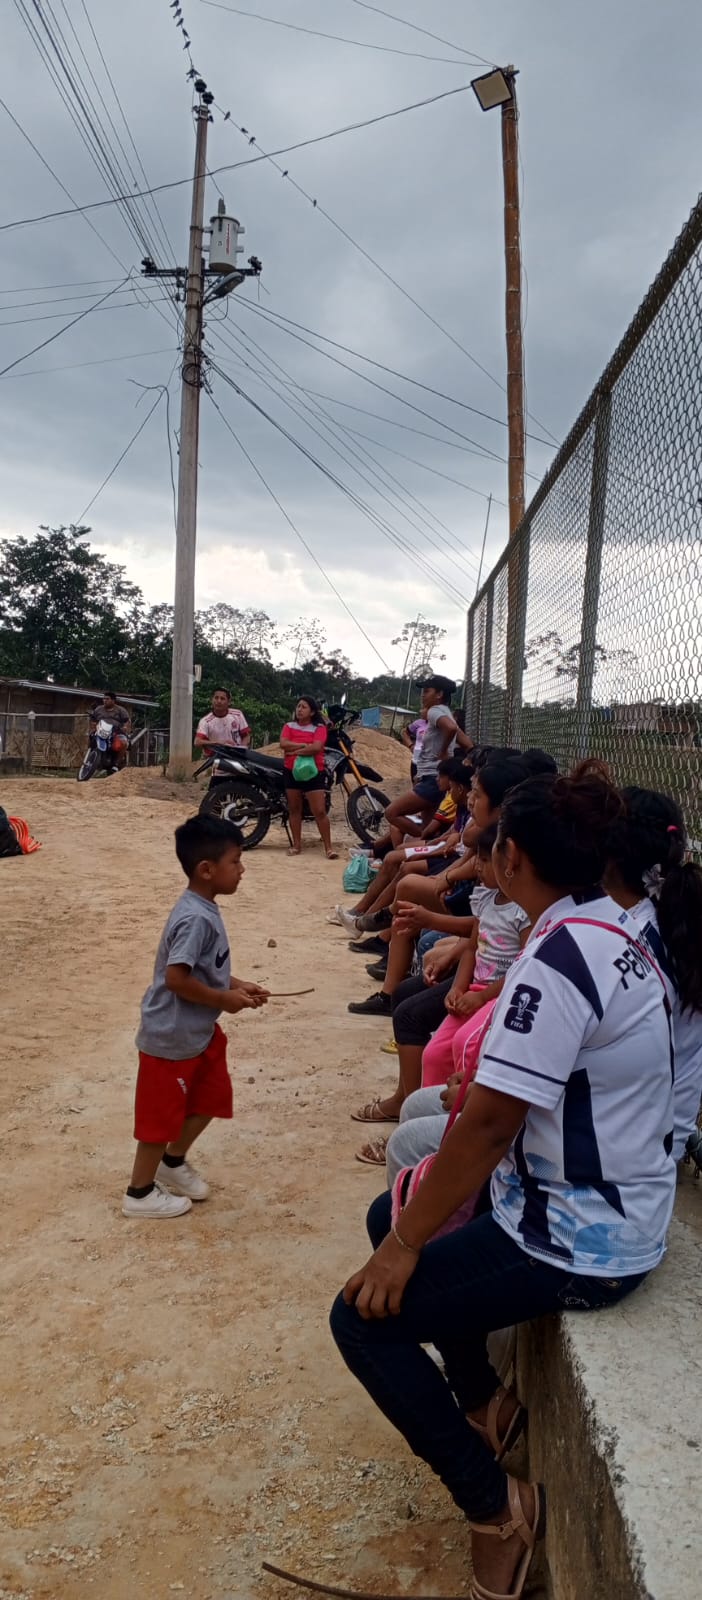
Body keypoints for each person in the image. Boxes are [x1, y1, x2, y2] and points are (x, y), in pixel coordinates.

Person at [330, 760, 676, 1600]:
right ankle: (485, 1403)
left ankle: (496, 1510)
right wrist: (404, 1231)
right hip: (600, 1203)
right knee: (392, 1214)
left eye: (491, 847)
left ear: (512, 857)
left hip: (581, 1238)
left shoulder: (559, 959)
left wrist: (405, 1247)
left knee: (361, 1320)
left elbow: (490, 1124)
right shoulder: (611, 927)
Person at [122, 814, 269, 1220]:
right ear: (206, 870)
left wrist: (236, 985)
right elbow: (176, 978)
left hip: (198, 1033)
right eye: (235, 861)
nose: (242, 869)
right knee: (160, 1120)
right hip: (170, 1038)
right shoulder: (194, 918)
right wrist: (224, 999)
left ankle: (172, 1163)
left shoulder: (205, 908)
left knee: (211, 1097)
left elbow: (203, 969)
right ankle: (139, 1193)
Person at [603, 785, 702, 1162]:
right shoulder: (675, 924)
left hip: (624, 1149)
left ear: (609, 856)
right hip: (662, 1136)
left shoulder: (630, 940)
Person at [384, 677, 461, 833]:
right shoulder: (447, 713)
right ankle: (425, 841)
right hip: (434, 776)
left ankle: (422, 841)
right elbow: (463, 738)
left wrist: (444, 751)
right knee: (428, 825)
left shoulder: (434, 710)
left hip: (433, 778)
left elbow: (452, 728)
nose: (422, 695)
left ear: (439, 694)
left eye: (426, 691)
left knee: (391, 812)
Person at [280, 695, 337, 860]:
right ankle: (296, 845)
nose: (299, 709)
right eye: (298, 706)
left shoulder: (319, 728)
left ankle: (329, 848)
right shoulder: (288, 726)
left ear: (312, 712)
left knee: (319, 811)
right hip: (291, 771)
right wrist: (304, 745)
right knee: (294, 809)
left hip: (314, 772)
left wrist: (294, 752)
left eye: (304, 707)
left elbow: (317, 748)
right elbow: (283, 744)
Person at [89, 687, 131, 772]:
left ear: (113, 700)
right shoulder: (98, 709)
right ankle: (91, 757)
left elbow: (127, 721)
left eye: (107, 699)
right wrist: (93, 727)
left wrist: (125, 727)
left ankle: (116, 764)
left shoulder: (121, 710)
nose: (105, 701)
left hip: (116, 732)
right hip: (101, 730)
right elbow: (93, 719)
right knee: (91, 736)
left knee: (124, 743)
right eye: (104, 699)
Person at [401, 715, 427, 782]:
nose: (421, 711)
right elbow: (404, 732)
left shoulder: (440, 725)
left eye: (425, 709)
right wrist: (410, 745)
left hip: (431, 765)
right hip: (416, 762)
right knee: (416, 786)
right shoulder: (418, 723)